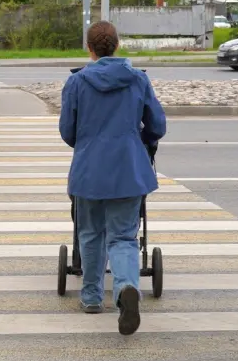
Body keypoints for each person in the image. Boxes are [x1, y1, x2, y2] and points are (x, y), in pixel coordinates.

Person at [59, 20, 167, 336]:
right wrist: (138, 139)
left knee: (90, 233)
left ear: (89, 49)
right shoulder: (138, 79)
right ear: (117, 45)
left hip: (89, 170)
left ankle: (92, 297)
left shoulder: (76, 83)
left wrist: (88, 142)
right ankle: (126, 288)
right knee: (123, 237)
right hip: (129, 169)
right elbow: (157, 125)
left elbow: (67, 131)